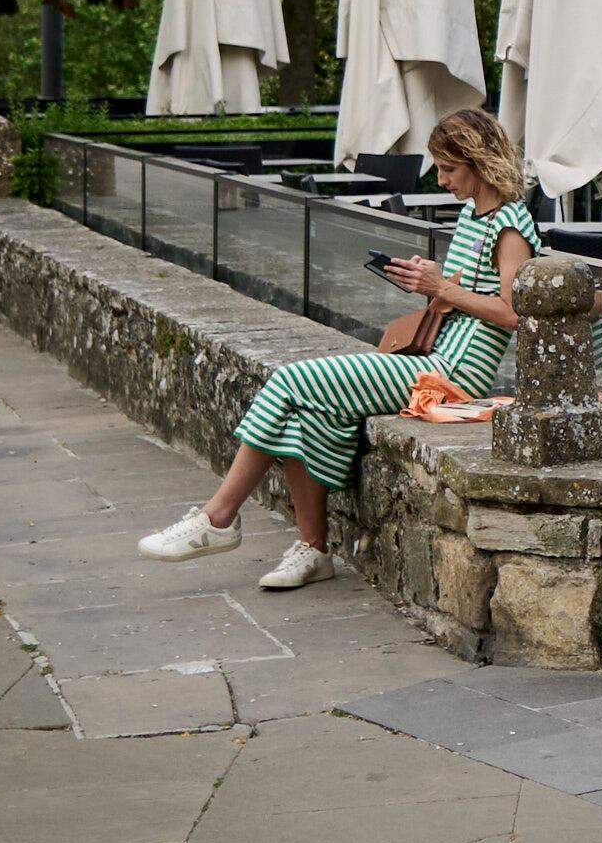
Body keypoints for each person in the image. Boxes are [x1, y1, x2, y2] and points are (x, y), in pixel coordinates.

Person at [140, 104, 536, 593]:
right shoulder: (473, 215)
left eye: (449, 169)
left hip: (454, 375)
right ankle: (313, 550)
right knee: (306, 413)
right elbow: (462, 297)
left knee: (289, 380)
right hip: (433, 357)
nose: (440, 179)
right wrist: (428, 284)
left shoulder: (511, 225)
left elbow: (517, 314)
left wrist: (444, 289)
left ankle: (218, 517)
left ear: (479, 163)